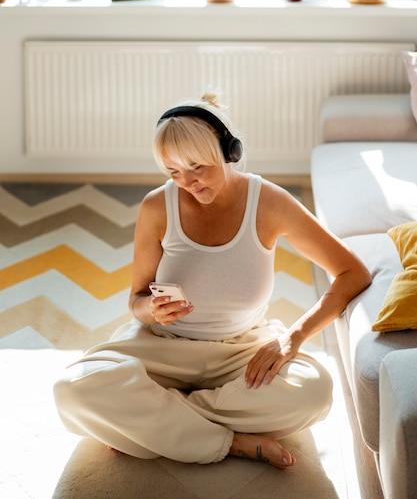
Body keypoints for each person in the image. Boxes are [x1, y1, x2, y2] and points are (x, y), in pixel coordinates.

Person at [54, 93, 371, 470]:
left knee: (315, 393)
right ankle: (233, 442)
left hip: (241, 350)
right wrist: (152, 311)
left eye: (197, 168)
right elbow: (136, 300)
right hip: (164, 348)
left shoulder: (269, 202)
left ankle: (155, 423)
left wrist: (292, 338)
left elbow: (353, 273)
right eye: (173, 172)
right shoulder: (157, 207)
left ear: (228, 151)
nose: (187, 183)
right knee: (73, 388)